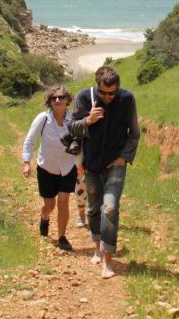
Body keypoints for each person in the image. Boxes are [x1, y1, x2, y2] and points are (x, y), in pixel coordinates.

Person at [68, 65, 140, 279]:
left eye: (112, 93)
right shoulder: (83, 97)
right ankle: (97, 246)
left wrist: (123, 157)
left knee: (109, 207)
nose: (108, 97)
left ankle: (107, 260)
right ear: (96, 86)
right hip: (91, 164)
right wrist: (88, 120)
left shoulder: (127, 99)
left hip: (116, 164)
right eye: (104, 93)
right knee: (93, 208)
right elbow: (71, 127)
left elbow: (134, 133)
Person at [21, 85, 78, 251]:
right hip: (46, 167)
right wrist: (26, 162)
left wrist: (83, 165)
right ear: (50, 102)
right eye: (54, 98)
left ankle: (62, 237)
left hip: (68, 166)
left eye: (61, 97)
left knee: (63, 202)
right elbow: (30, 140)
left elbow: (82, 142)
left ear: (67, 100)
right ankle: (44, 217)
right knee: (50, 205)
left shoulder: (74, 119)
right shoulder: (43, 119)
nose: (58, 100)